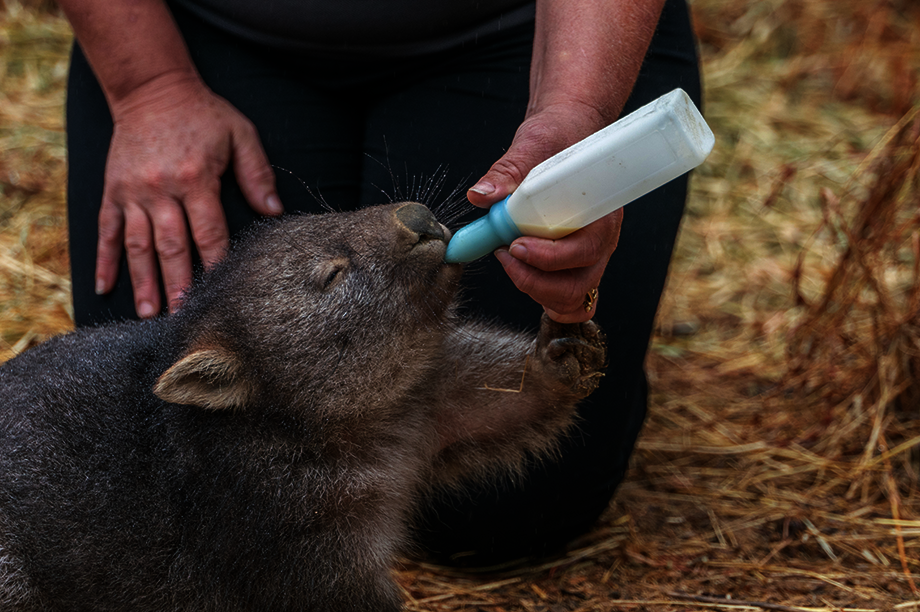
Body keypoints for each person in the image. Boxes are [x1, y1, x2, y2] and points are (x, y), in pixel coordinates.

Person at [61, 0, 702, 565]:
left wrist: (575, 117)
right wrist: (150, 87)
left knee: (512, 508)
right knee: (169, 450)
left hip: (519, 28)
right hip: (208, 31)